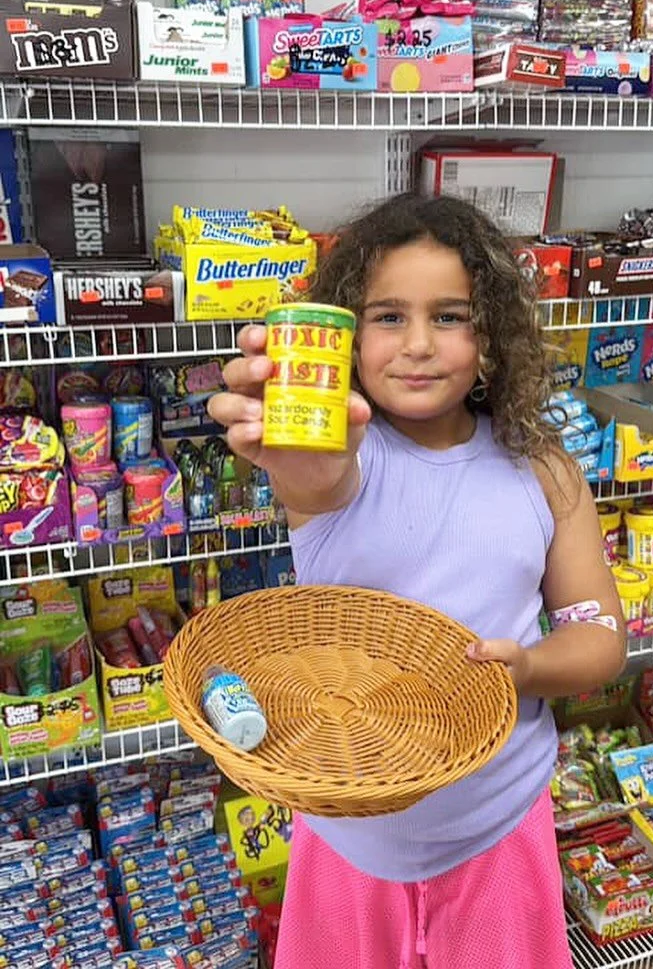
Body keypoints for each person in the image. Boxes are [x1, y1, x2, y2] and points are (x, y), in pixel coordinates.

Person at [209, 193, 626, 969]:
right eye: (387, 315)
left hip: (498, 823)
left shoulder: (545, 472)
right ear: (346, 332)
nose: (418, 345)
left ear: (493, 332)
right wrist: (299, 451)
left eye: (451, 316)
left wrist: (528, 667)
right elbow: (317, 479)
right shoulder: (340, 457)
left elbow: (599, 636)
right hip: (349, 836)